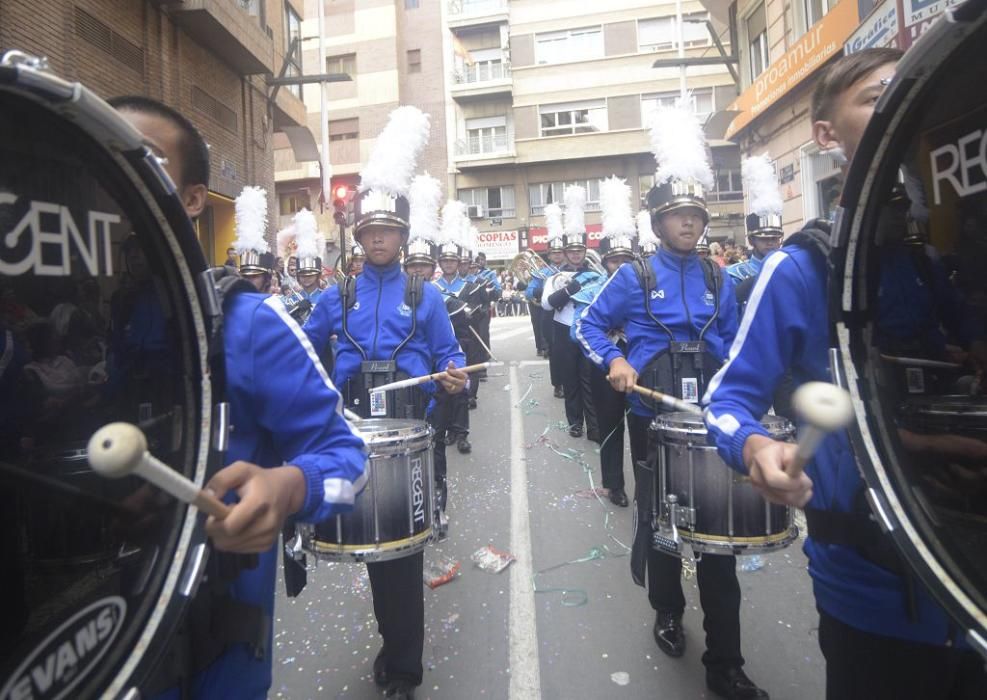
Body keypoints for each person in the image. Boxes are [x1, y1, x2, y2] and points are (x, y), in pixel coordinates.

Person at [704, 47, 987, 699]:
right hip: (872, 596)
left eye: (907, 92)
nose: (897, 104)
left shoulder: (939, 252)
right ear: (826, 136)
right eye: (876, 94)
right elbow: (726, 396)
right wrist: (754, 446)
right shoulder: (799, 269)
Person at [110, 95, 367, 700]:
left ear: (193, 199)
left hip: (214, 651)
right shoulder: (94, 317)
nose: (121, 177)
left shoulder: (249, 324)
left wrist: (291, 488)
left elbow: (349, 467)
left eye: (142, 160)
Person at [576, 106, 760, 700]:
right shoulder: (632, 276)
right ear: (659, 222)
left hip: (709, 423)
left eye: (696, 216)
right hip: (651, 420)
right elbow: (587, 324)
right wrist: (618, 361)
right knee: (662, 529)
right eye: (679, 215)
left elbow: (736, 349)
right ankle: (667, 610)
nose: (689, 224)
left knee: (717, 538)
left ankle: (726, 661)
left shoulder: (718, 279)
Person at [303, 106, 467, 700]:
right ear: (359, 237)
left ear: (402, 236)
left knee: (399, 556)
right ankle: (393, 643)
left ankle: (404, 668)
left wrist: (454, 380)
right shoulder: (337, 294)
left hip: (408, 430)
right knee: (370, 550)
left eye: (388, 232)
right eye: (369, 232)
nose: (378, 240)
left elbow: (450, 357)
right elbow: (304, 351)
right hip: (351, 431)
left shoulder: (424, 293)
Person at [575, 175, 636, 506]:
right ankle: (615, 484)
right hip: (604, 363)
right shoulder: (592, 288)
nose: (620, 266)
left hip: (640, 361)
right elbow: (577, 328)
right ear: (605, 260)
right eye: (615, 260)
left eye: (626, 260)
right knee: (612, 426)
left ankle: (649, 480)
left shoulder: (643, 284)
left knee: (644, 427)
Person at [542, 190, 602, 439]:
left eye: (580, 251)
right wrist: (568, 290)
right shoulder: (556, 277)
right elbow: (546, 304)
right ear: (565, 253)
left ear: (585, 251)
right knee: (571, 380)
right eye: (571, 251)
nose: (576, 254)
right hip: (564, 331)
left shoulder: (597, 273)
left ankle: (595, 424)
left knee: (591, 380)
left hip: (588, 330)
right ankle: (575, 422)